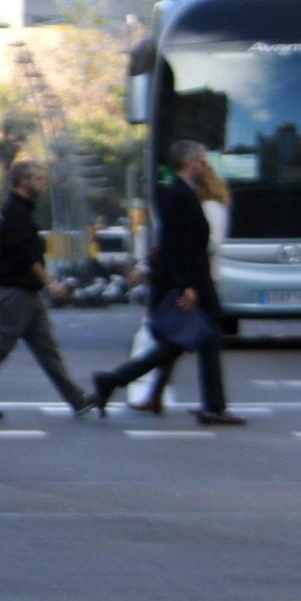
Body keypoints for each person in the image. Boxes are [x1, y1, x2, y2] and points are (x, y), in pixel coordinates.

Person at [92, 141, 244, 426]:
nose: (203, 166)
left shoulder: (179, 194)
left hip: (189, 280)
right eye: (200, 161)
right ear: (190, 162)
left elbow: (177, 245)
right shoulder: (180, 196)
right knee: (199, 338)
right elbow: (181, 246)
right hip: (190, 282)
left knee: (181, 342)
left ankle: (114, 380)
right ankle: (213, 407)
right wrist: (188, 285)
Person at [0, 162, 99, 418]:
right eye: (38, 179)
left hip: (27, 293)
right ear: (21, 181)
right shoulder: (14, 213)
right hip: (17, 292)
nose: (43, 183)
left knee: (46, 348)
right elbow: (27, 257)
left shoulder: (21, 212)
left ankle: (76, 398)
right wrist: (51, 283)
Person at [132, 163, 230, 414]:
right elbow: (184, 245)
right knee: (179, 341)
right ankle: (125, 383)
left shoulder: (209, 208)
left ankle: (134, 386)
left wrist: (190, 283)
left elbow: (202, 246)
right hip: (197, 283)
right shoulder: (196, 204)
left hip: (200, 282)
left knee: (178, 342)